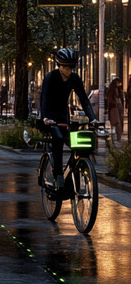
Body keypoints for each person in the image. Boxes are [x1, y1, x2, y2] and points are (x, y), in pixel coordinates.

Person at [40, 48, 97, 190]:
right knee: (58, 140)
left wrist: (93, 118)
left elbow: (83, 98)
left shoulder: (75, 78)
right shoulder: (50, 77)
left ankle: (79, 170)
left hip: (64, 115)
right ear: (59, 65)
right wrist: (45, 117)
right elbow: (45, 98)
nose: (67, 70)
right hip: (51, 117)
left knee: (79, 142)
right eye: (65, 67)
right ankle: (58, 174)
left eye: (70, 67)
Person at [106, 77, 124, 143]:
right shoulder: (112, 91)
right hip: (114, 108)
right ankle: (115, 137)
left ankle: (118, 137)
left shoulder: (118, 90)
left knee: (119, 122)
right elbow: (110, 100)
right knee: (116, 123)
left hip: (118, 107)